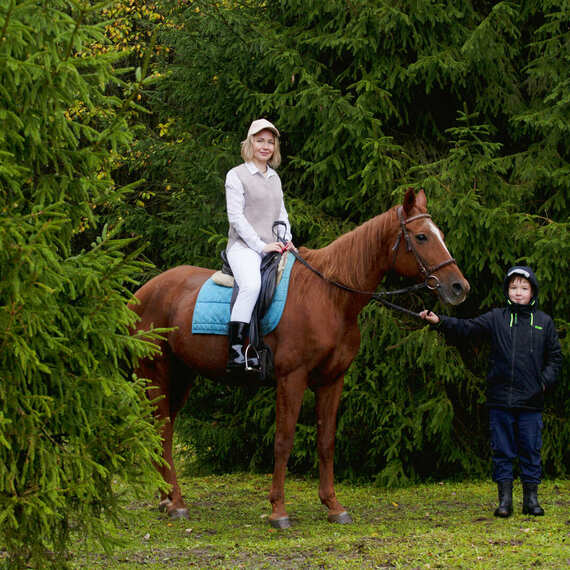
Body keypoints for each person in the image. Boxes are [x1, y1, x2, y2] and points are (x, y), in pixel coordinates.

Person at [420, 266, 562, 517]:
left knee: (530, 451)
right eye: (514, 287)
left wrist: (542, 383)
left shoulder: (544, 322)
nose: (518, 293)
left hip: (531, 403)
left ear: (532, 292)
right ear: (508, 291)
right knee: (503, 451)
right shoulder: (496, 318)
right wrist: (439, 321)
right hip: (500, 400)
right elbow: (467, 328)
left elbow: (555, 360)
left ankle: (531, 500)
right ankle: (505, 502)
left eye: (524, 288)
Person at [224, 118, 295, 373]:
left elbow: (282, 214)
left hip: (274, 245)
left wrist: (288, 241)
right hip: (243, 247)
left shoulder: (274, 178)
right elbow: (236, 218)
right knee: (252, 284)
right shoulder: (236, 175)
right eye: (260, 140)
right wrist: (260, 246)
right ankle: (235, 352)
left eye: (270, 142)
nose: (265, 146)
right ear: (250, 143)